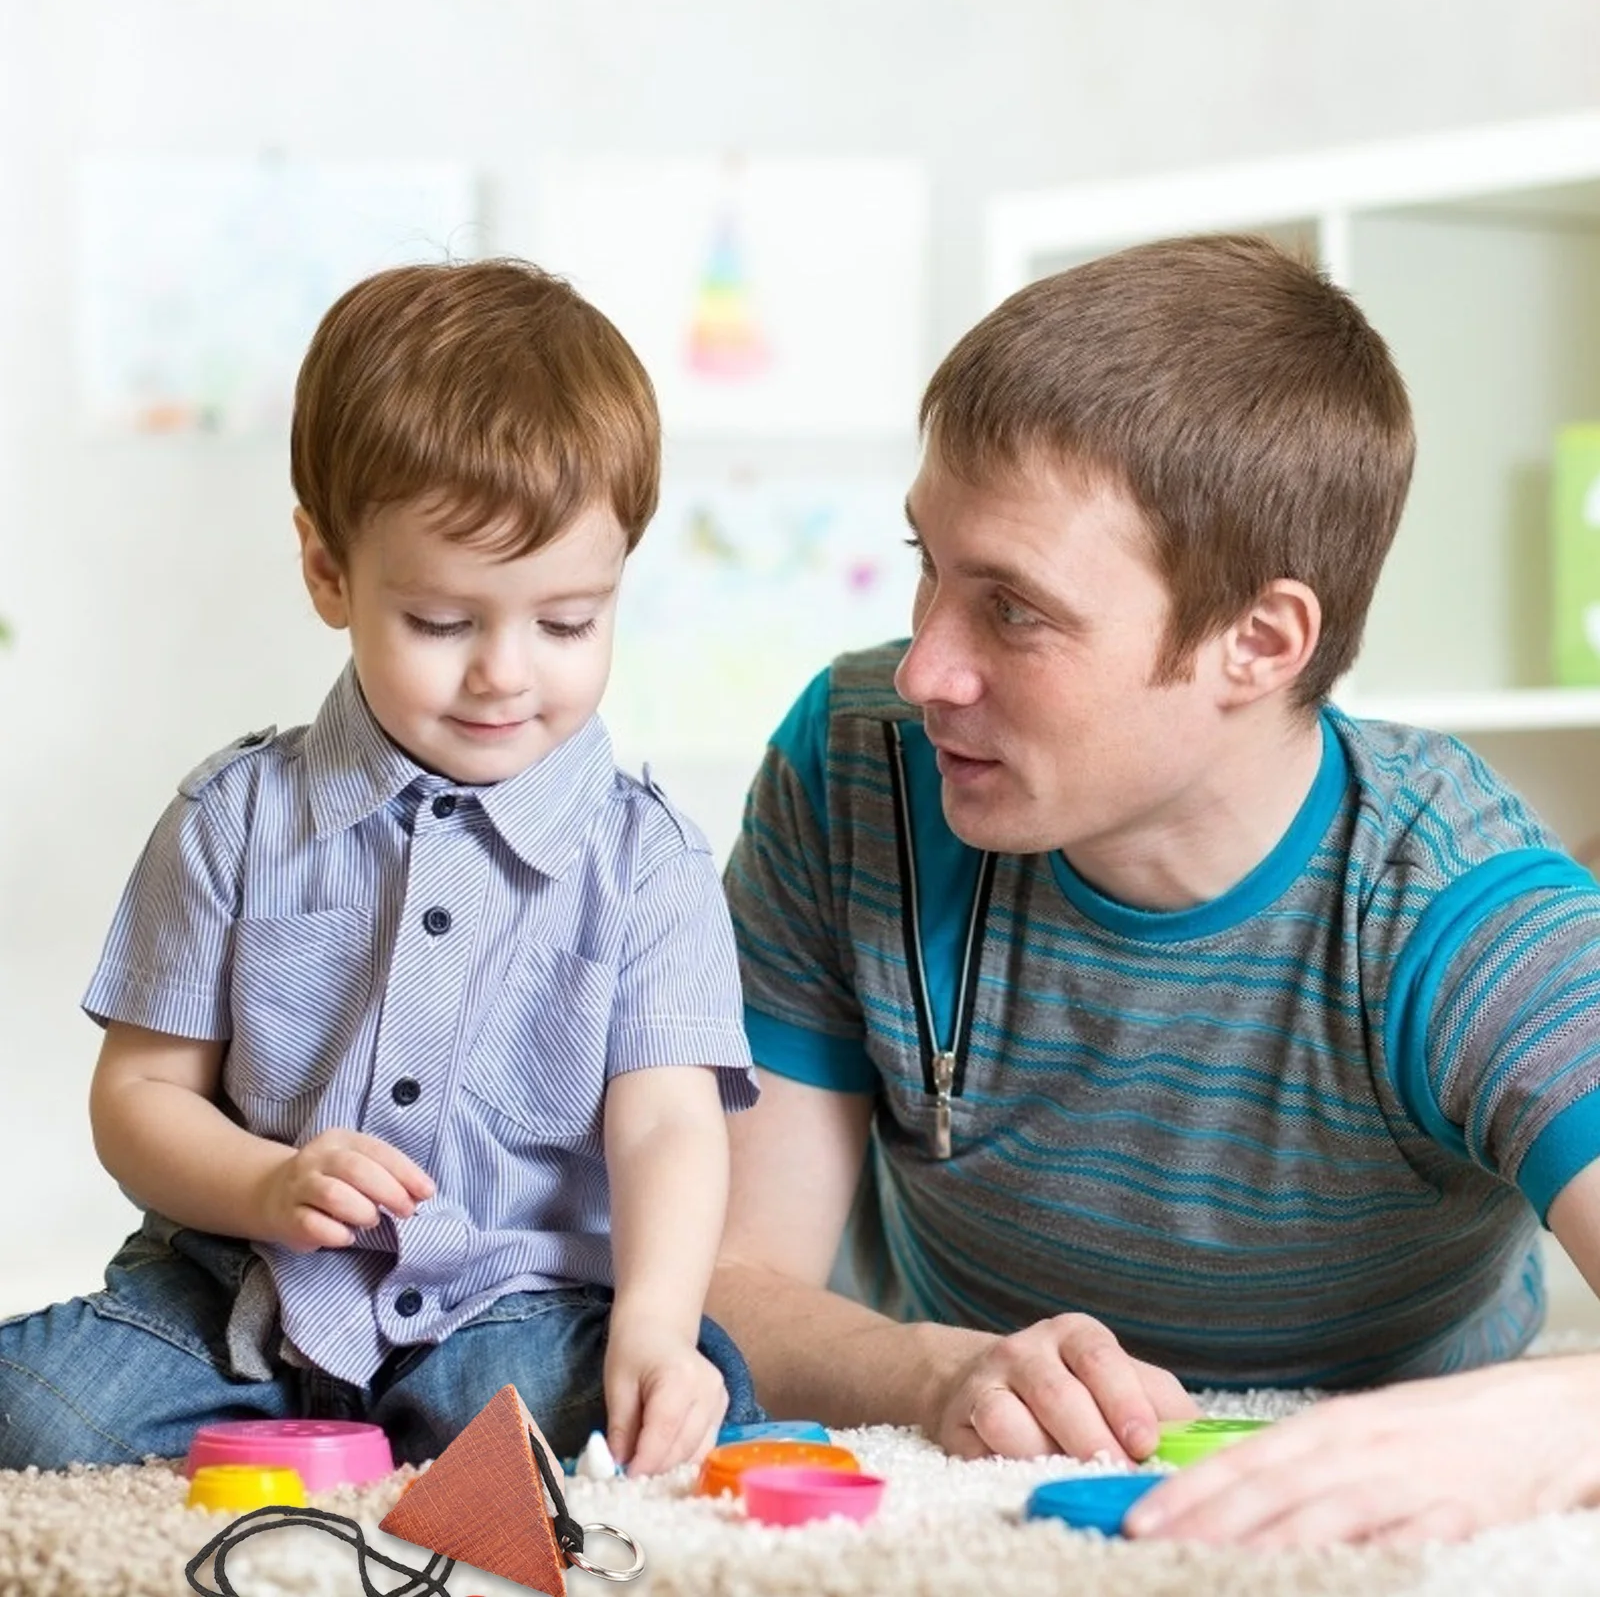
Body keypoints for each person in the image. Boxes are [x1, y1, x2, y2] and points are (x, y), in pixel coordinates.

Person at [709, 233, 1600, 1545]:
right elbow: (727, 1278)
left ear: (1258, 641)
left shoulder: (1460, 910)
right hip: (985, 1478)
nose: (924, 671)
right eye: (929, 569)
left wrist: (1530, 1425)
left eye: (1012, 611)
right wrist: (938, 1372)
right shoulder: (855, 768)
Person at [0, 258, 760, 1478]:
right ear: (328, 572)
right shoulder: (233, 817)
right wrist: (266, 1182)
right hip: (232, 1300)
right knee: (32, 1412)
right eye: (444, 623)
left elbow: (668, 1122)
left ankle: (449, 1427)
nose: (507, 672)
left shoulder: (647, 861)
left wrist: (657, 1329)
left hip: (504, 1306)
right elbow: (138, 1098)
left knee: (656, 1404)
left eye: (568, 622)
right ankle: (317, 1424)